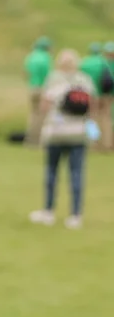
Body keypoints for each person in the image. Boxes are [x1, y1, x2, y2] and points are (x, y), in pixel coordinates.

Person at [32, 49, 94, 227]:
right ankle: (75, 214)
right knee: (76, 173)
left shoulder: (54, 79)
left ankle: (48, 210)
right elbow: (92, 106)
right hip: (78, 133)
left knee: (52, 171)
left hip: (57, 132)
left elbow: (44, 105)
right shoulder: (84, 80)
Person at [84, 41, 114, 153]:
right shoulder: (103, 62)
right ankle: (106, 143)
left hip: (90, 94)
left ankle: (93, 143)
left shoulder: (85, 62)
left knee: (92, 118)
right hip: (105, 95)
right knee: (106, 118)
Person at [25, 36, 53, 144]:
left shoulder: (31, 56)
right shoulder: (46, 57)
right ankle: (40, 140)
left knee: (33, 114)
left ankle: (31, 139)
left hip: (32, 87)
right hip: (42, 88)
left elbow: (26, 72)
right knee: (42, 116)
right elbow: (49, 75)